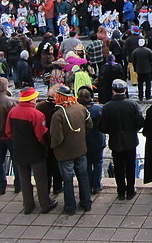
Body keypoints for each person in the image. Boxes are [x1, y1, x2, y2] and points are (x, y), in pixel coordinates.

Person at [6, 86, 58, 214]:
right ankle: (45, 203)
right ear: (32, 99)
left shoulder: (12, 112)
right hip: (35, 151)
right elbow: (41, 135)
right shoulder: (36, 115)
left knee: (24, 180)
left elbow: (8, 131)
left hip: (19, 150)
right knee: (41, 179)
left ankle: (28, 205)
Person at [49, 85, 93, 215]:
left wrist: (52, 146)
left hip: (65, 152)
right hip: (80, 149)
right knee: (83, 176)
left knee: (67, 180)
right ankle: (86, 202)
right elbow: (89, 124)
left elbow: (57, 137)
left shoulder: (58, 115)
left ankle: (70, 206)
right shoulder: (81, 108)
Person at [98, 79, 144, 200]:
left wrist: (112, 131)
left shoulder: (107, 107)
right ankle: (130, 190)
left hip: (115, 141)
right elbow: (140, 122)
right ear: (125, 90)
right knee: (130, 166)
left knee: (118, 167)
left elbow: (102, 126)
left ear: (113, 91)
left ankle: (120, 191)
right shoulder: (132, 105)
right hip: (130, 141)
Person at [77, 87, 105, 195]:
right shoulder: (97, 109)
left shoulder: (77, 109)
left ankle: (88, 184)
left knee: (87, 164)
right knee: (98, 163)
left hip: (83, 140)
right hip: (97, 139)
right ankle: (96, 185)